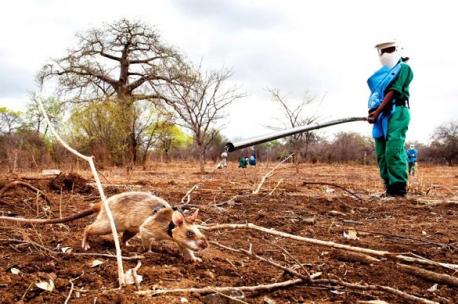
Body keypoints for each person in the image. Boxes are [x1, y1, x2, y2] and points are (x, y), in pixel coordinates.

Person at [367, 40, 414, 197]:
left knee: (393, 149)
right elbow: (375, 96)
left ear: (397, 50)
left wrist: (378, 111)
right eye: (382, 51)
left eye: (390, 50)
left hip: (398, 111)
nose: (386, 54)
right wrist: (374, 111)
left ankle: (399, 189)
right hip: (382, 115)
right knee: (381, 152)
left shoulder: (404, 68)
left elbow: (394, 90)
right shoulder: (382, 74)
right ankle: (389, 188)